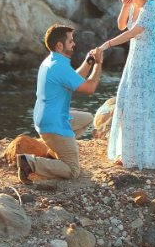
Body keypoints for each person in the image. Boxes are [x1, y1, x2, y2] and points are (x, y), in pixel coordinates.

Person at [93, 0, 155, 170]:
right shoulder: (132, 6)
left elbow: (133, 32)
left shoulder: (151, 6)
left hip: (150, 60)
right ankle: (128, 152)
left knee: (150, 104)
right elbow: (122, 25)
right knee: (129, 102)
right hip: (134, 60)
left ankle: (152, 155)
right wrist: (125, 5)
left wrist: (106, 45)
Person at [17, 25, 104, 183]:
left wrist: (89, 62)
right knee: (73, 170)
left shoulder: (52, 61)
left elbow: (74, 79)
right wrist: (98, 64)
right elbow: (90, 88)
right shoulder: (59, 67)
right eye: (70, 41)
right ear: (59, 45)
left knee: (87, 118)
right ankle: (29, 163)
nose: (74, 44)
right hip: (53, 124)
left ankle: (54, 152)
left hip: (46, 118)